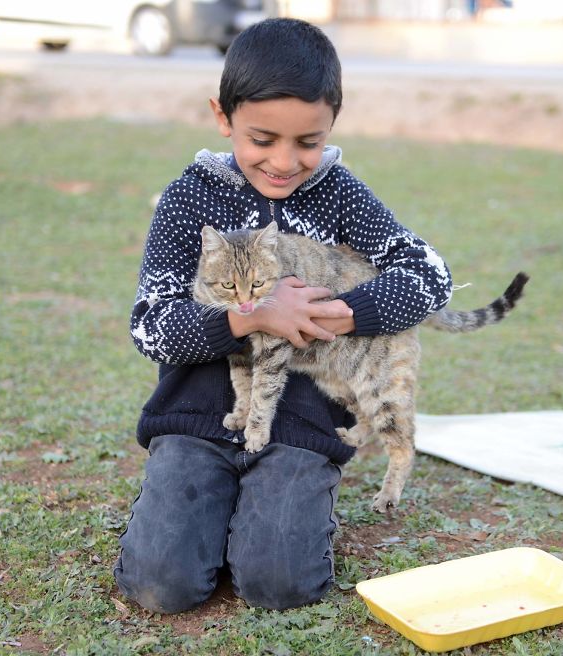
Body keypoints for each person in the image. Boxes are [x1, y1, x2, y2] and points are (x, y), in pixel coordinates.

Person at [113, 17, 453, 614]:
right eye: (262, 139)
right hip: (196, 419)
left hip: (301, 426)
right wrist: (251, 317)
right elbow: (150, 325)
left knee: (280, 586)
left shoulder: (339, 193)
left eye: (308, 142)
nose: (284, 161)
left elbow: (430, 276)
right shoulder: (190, 196)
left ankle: (275, 507)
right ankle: (206, 510)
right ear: (223, 117)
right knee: (159, 586)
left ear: (332, 126)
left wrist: (342, 312)